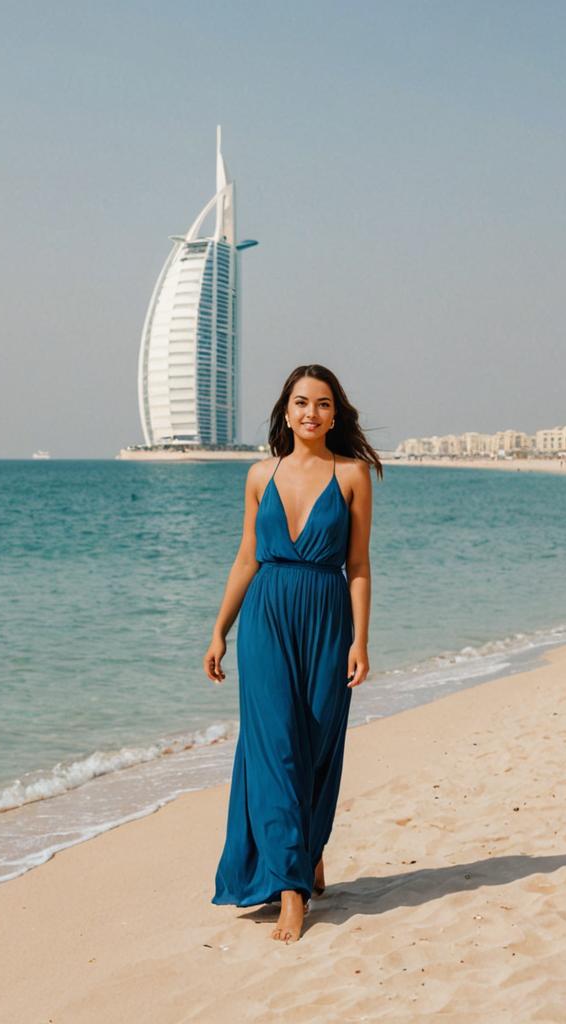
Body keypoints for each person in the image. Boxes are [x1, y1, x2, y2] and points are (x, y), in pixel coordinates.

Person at [203, 363, 381, 943]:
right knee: (276, 747)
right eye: (302, 402)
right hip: (267, 617)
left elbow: (357, 566)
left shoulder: (352, 475)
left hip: (328, 616)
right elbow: (246, 558)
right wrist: (219, 629)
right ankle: (290, 890)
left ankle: (310, 849)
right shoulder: (260, 475)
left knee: (318, 742)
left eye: (323, 403)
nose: (311, 412)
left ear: (336, 413)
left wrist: (360, 639)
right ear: (286, 411)